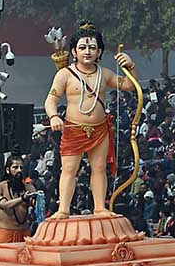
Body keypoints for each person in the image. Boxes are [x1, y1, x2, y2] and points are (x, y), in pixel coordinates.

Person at [44, 21, 138, 219]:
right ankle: (63, 209)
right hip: (73, 128)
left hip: (100, 128)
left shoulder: (104, 74)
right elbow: (51, 99)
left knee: (99, 168)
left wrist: (130, 65)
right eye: (83, 47)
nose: (87, 51)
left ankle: (99, 207)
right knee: (69, 169)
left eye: (92, 47)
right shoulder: (65, 74)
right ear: (74, 51)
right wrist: (53, 116)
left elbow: (130, 85)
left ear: (100, 52)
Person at [0, 154, 36, 245]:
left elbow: (36, 205)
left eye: (21, 167)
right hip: (5, 234)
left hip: (24, 233)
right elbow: (4, 205)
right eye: (15, 167)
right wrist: (22, 198)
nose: (19, 170)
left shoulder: (29, 187)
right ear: (8, 170)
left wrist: (37, 201)